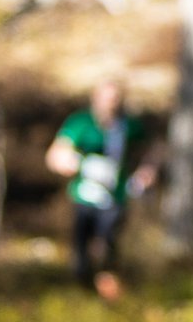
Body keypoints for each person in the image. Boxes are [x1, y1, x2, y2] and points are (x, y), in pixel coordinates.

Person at [46, 78, 157, 299]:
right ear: (95, 99)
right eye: (106, 99)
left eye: (115, 100)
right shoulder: (80, 123)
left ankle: (110, 298)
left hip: (115, 197)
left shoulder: (129, 126)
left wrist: (147, 171)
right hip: (83, 197)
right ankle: (84, 294)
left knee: (107, 246)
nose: (110, 105)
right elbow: (55, 155)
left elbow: (153, 150)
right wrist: (72, 163)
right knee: (80, 255)